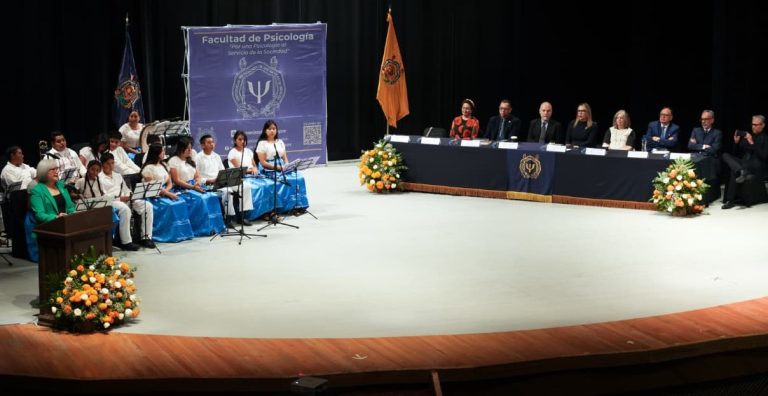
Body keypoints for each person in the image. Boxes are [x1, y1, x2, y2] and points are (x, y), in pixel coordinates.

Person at [167, 137, 225, 236]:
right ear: (181, 149)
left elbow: (197, 175)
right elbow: (177, 180)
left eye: (191, 148)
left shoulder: (190, 159)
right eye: (188, 148)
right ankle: (204, 229)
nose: (190, 151)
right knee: (201, 199)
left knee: (211, 196)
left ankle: (216, 226)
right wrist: (193, 187)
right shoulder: (173, 161)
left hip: (195, 185)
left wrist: (197, 182)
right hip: (183, 188)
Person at [140, 143, 193, 243]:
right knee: (171, 206)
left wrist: (167, 192)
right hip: (153, 195)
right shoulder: (148, 168)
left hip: (165, 191)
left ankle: (182, 233)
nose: (164, 153)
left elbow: (170, 182)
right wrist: (166, 194)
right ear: (157, 153)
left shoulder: (163, 165)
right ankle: (168, 234)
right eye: (162, 151)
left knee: (181, 202)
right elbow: (153, 187)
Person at [196, 134, 254, 228]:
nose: (212, 144)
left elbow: (223, 171)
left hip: (221, 181)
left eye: (213, 142)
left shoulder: (217, 156)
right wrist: (209, 180)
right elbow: (197, 177)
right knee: (227, 191)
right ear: (203, 145)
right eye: (209, 142)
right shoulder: (198, 157)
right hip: (209, 184)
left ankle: (242, 216)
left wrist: (227, 177)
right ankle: (228, 218)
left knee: (245, 186)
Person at [100, 153, 155, 248]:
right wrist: (120, 198)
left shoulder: (118, 175)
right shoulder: (99, 177)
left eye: (112, 163)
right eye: (108, 163)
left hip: (125, 198)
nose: (110, 166)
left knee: (147, 205)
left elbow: (126, 190)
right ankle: (126, 242)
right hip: (112, 202)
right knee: (125, 209)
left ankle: (146, 237)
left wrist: (131, 196)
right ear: (102, 164)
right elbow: (103, 197)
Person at [26, 158, 76, 262]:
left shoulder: (61, 186)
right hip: (50, 226)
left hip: (67, 223)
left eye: (56, 169)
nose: (56, 171)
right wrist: (57, 217)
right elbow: (39, 215)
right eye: (52, 169)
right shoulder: (37, 190)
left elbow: (70, 206)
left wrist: (72, 214)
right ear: (44, 172)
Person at [255, 120, 310, 214]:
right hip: (268, 168)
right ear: (265, 131)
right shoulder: (262, 143)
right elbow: (263, 162)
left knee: (298, 177)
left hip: (282, 167)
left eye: (274, 129)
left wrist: (288, 167)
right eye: (269, 129)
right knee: (281, 180)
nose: (272, 131)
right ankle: (284, 208)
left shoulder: (280, 142)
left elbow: (285, 158)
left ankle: (297, 205)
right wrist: (278, 168)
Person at [721, 115, 768, 209]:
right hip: (744, 163)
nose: (753, 126)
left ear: (763, 125)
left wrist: (752, 143)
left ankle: (730, 200)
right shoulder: (748, 135)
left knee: (733, 171)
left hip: (756, 166)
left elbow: (764, 156)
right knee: (725, 155)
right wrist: (736, 142)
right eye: (752, 124)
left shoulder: (765, 138)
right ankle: (741, 170)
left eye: (756, 124)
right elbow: (736, 153)